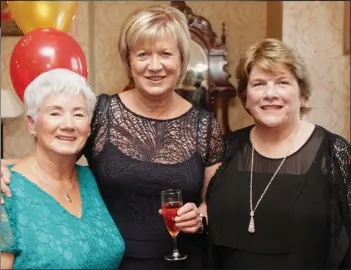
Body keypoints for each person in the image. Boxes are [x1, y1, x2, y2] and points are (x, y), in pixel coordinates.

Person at [1, 5, 224, 270]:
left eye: (166, 54)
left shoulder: (205, 126)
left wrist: (200, 218)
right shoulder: (102, 113)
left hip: (184, 261)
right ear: (128, 60)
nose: (155, 66)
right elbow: (49, 158)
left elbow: (214, 202)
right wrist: (5, 166)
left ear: (182, 60)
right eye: (143, 54)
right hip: (113, 261)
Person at [206, 38, 351, 269]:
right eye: (259, 84)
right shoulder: (227, 147)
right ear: (245, 97)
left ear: (303, 95)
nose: (270, 93)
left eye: (282, 82)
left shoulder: (334, 153)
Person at [0, 69, 125, 269]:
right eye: (55, 113)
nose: (68, 124)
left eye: (78, 114)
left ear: (89, 127)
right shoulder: (5, 192)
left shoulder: (89, 178)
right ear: (31, 124)